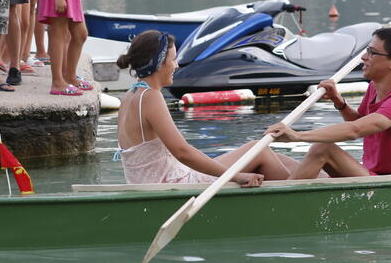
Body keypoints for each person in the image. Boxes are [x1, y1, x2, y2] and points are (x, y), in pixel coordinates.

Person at [116, 30, 298, 185]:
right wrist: (235, 176)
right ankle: (302, 195)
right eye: (173, 60)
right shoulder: (151, 97)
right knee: (261, 150)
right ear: (160, 63)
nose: (176, 65)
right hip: (172, 184)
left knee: (259, 149)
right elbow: (182, 152)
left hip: (158, 181)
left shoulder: (129, 97)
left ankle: (316, 177)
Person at [267, 27, 391, 178]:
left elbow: (354, 130)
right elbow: (359, 122)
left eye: (371, 52)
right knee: (263, 154)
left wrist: (296, 135)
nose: (364, 57)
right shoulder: (374, 88)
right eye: (366, 50)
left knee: (323, 148)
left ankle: (281, 203)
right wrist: (339, 102)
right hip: (368, 175)